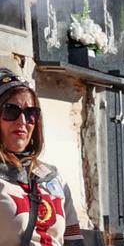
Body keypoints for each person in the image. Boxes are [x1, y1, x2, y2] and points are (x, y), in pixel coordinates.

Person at [0, 67, 84, 246]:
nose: (22, 121)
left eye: (31, 114)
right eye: (11, 111)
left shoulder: (53, 178)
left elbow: (74, 242)